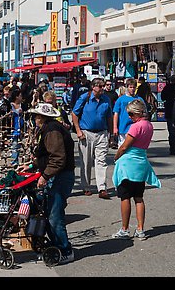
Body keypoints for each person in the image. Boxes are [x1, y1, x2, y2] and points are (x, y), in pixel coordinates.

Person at [20, 102, 76, 264]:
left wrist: (44, 175)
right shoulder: (50, 128)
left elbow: (58, 158)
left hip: (60, 176)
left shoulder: (52, 130)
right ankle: (56, 246)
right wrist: (32, 165)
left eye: (36, 116)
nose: (34, 119)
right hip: (58, 175)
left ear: (42, 117)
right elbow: (47, 156)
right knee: (49, 211)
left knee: (54, 214)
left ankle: (65, 250)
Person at [111, 99, 161, 240]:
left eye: (131, 114)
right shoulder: (149, 126)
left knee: (125, 197)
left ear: (137, 113)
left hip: (128, 164)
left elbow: (125, 146)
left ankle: (125, 229)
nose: (129, 117)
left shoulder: (135, 127)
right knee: (139, 197)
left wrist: (116, 156)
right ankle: (140, 229)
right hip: (141, 163)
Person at [71, 77, 113, 199]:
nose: (103, 89)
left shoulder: (106, 100)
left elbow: (109, 117)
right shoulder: (85, 97)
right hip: (86, 133)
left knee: (101, 161)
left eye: (103, 86)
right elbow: (74, 113)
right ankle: (86, 186)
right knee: (86, 161)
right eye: (100, 86)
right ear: (93, 87)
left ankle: (102, 188)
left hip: (102, 133)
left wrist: (110, 134)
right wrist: (78, 130)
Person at [112, 78, 140, 147]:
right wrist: (115, 127)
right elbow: (116, 113)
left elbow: (144, 114)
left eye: (134, 87)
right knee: (123, 148)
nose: (132, 89)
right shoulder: (121, 99)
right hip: (123, 128)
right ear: (127, 87)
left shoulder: (139, 99)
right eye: (130, 87)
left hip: (135, 128)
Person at [160, 75, 175, 155]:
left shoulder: (167, 87)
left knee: (172, 131)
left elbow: (162, 97)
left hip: (169, 111)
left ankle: (172, 148)